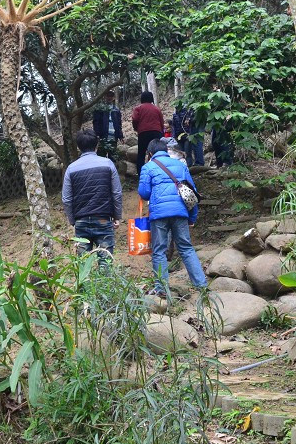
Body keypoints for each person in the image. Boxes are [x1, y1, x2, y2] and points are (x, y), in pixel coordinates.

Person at [138, 138, 207, 297]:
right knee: (186, 248)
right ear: (166, 151)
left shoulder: (148, 167)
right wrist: (192, 218)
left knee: (159, 251)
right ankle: (201, 286)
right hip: (180, 212)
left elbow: (144, 193)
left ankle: (162, 289)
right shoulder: (181, 166)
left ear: (150, 153)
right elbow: (191, 192)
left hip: (159, 214)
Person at [62, 129, 123, 268]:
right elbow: (117, 193)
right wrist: (117, 216)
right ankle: (104, 289)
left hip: (81, 221)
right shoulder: (107, 164)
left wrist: (73, 220)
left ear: (79, 147)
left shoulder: (71, 169)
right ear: (97, 145)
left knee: (83, 265)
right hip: (103, 219)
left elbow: (66, 199)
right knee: (106, 262)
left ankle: (84, 290)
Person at [131, 91, 164, 177]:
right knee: (157, 152)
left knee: (141, 153)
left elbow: (134, 119)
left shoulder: (138, 108)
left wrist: (136, 128)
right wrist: (161, 133)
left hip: (143, 133)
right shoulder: (156, 109)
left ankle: (141, 174)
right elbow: (161, 122)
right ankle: (158, 172)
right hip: (156, 132)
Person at [91, 89, 123, 160]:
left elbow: (119, 123)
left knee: (113, 158)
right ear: (105, 97)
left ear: (113, 97)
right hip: (103, 136)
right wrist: (97, 134)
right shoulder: (100, 109)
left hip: (114, 137)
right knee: (101, 157)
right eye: (108, 96)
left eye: (111, 96)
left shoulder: (116, 110)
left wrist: (120, 135)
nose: (109, 97)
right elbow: (96, 122)